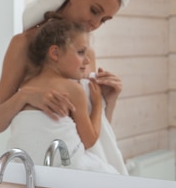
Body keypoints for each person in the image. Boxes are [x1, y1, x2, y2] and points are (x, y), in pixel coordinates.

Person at [0, 0, 137, 174]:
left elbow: (92, 136)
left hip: (80, 173)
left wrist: (108, 102)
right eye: (95, 11)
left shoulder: (86, 54)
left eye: (104, 20)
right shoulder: (23, 44)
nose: (96, 23)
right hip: (36, 172)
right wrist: (26, 96)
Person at [6, 18, 119, 173]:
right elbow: (89, 140)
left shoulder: (27, 84)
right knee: (111, 175)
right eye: (81, 52)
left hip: (24, 166)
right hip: (66, 165)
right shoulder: (73, 89)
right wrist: (98, 102)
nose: (87, 60)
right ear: (55, 53)